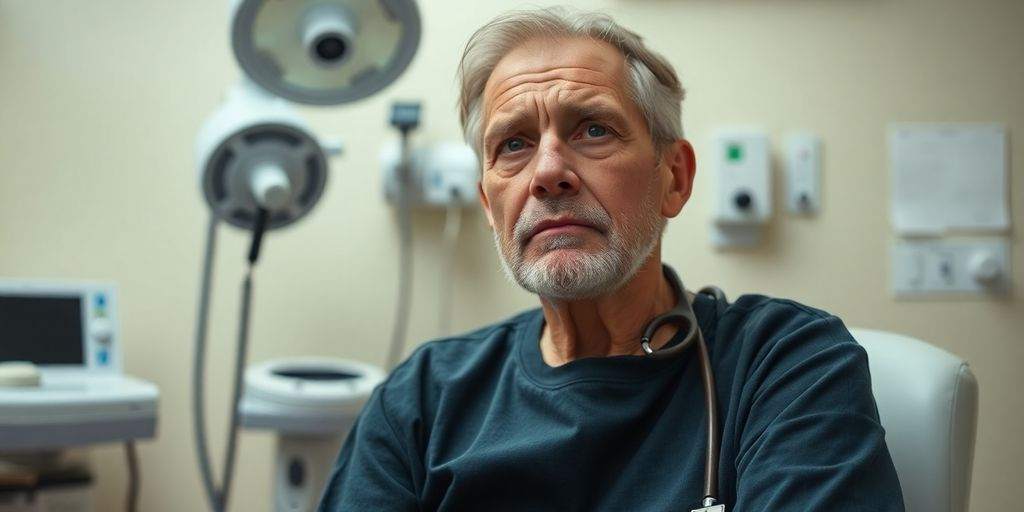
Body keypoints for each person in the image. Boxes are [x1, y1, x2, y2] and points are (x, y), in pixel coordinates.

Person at [319, 7, 904, 511]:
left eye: (594, 129)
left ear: (673, 178)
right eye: (514, 145)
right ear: (490, 206)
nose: (548, 173)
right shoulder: (421, 400)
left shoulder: (785, 364)